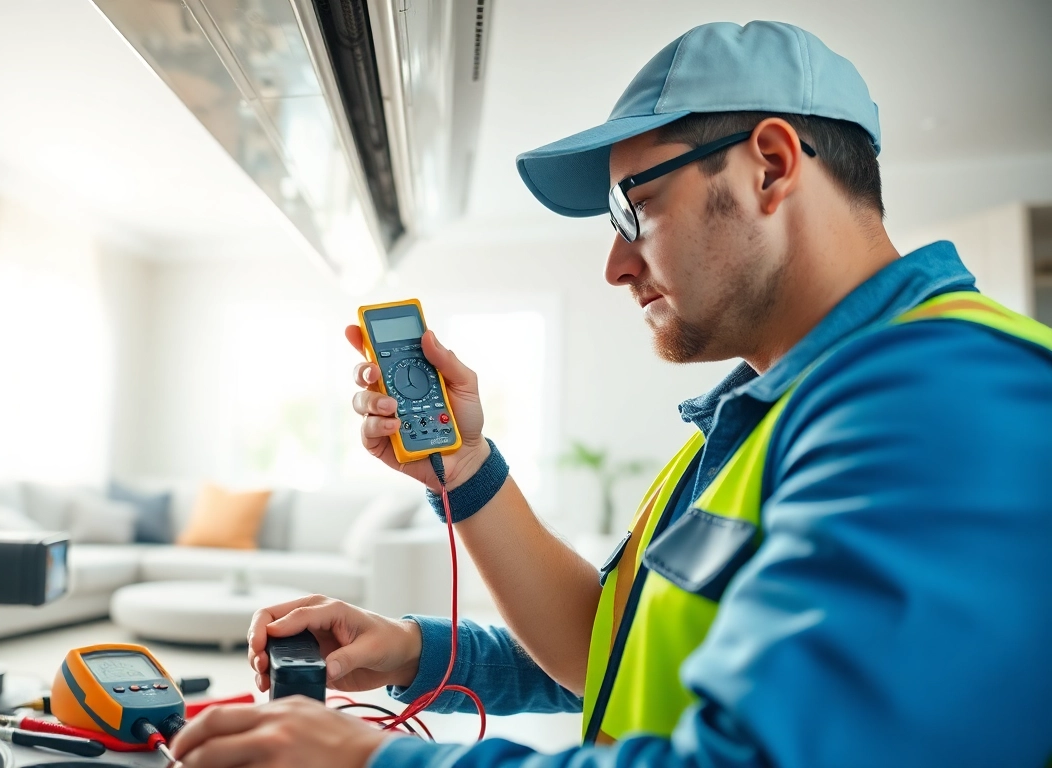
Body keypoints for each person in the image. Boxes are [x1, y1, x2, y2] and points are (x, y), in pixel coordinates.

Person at [170, 20, 1052, 768]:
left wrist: (373, 760)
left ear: (771, 165)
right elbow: (616, 644)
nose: (615, 265)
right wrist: (433, 582)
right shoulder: (769, 412)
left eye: (635, 208)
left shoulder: (945, 398)